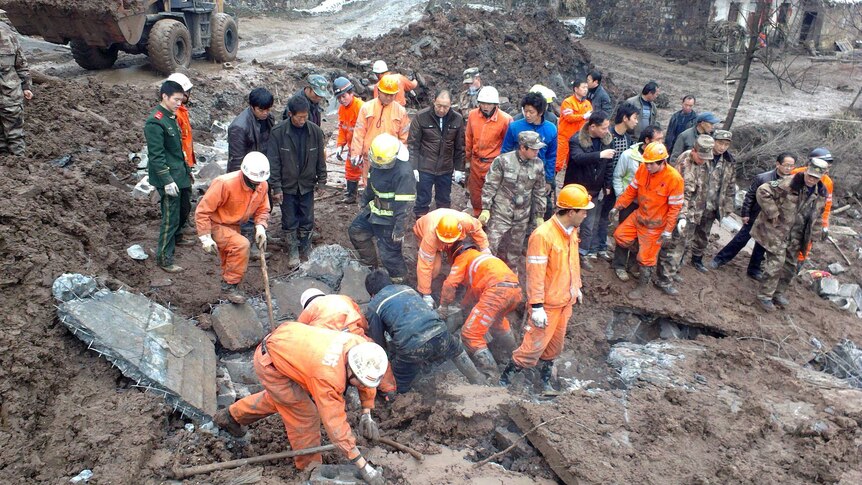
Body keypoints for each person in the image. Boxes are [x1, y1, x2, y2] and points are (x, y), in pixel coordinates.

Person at [213, 323, 388, 485]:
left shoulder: (361, 347)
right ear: (350, 369)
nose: (361, 387)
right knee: (305, 415)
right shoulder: (328, 376)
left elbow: (366, 381)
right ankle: (309, 469)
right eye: (358, 382)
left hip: (290, 345)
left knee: (284, 400)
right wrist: (362, 464)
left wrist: (367, 412)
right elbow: (335, 424)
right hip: (271, 362)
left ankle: (232, 416)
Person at [499, 184, 590, 396]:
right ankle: (503, 384)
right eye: (583, 210)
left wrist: (576, 287)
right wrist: (537, 306)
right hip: (547, 305)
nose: (586, 215)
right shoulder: (543, 236)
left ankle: (544, 384)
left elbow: (572, 262)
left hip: (565, 302)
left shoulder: (571, 232)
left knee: (553, 348)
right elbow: (535, 273)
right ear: (571, 211)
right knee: (531, 348)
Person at [364, 270, 485, 391]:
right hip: (440, 333)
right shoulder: (407, 289)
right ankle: (479, 381)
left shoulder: (374, 305)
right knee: (456, 350)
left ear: (372, 294)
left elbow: (378, 345)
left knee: (400, 378)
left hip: (413, 347)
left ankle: (398, 401)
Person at [752, 159, 829, 311]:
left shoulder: (821, 193)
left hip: (797, 235)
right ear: (806, 170)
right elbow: (763, 191)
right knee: (775, 264)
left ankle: (778, 293)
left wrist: (815, 234)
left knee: (790, 267)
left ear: (821, 177)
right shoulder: (789, 182)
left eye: (815, 177)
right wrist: (772, 212)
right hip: (778, 232)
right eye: (810, 175)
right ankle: (765, 296)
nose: (811, 179)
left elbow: (818, 216)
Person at [609, 142, 683, 299]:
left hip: (655, 225)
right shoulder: (643, 169)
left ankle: (642, 286)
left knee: (646, 259)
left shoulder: (674, 179)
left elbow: (675, 208)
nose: (647, 167)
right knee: (620, 235)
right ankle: (634, 261)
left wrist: (668, 231)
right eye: (646, 163)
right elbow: (631, 190)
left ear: (662, 162)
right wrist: (618, 206)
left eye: (651, 164)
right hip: (639, 215)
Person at [438, 240, 521, 375]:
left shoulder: (463, 257)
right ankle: (516, 358)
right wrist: (464, 308)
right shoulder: (481, 259)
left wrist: (444, 306)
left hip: (496, 291)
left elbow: (449, 284)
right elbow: (473, 293)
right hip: (514, 291)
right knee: (497, 323)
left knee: (470, 334)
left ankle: (491, 375)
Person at [195, 152, 270, 299]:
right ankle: (229, 287)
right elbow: (203, 211)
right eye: (254, 181)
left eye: (259, 181)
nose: (256, 184)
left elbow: (263, 208)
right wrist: (205, 237)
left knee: (230, 256)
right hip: (216, 223)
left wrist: (260, 226)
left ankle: (228, 284)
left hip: (234, 224)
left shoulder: (262, 185)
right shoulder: (224, 183)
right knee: (241, 245)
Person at [710, 153, 796, 279]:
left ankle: (754, 269)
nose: (788, 168)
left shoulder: (793, 182)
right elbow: (750, 196)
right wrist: (745, 213)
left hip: (773, 219)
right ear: (778, 164)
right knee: (741, 239)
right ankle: (719, 259)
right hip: (756, 215)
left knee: (761, 245)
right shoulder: (763, 177)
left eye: (791, 166)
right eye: (786, 165)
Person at [298, 287, 397, 396]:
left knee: (334, 370)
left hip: (329, 343)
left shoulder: (307, 313)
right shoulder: (342, 298)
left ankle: (338, 394)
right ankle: (388, 390)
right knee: (374, 356)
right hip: (352, 333)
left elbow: (303, 337)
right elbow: (360, 317)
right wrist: (364, 331)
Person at [268, 95, 327, 266]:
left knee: (307, 216)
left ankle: (306, 247)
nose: (303, 120)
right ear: (290, 114)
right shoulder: (278, 133)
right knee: (289, 218)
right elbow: (274, 162)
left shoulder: (315, 131)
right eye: (299, 117)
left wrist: (322, 180)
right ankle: (293, 249)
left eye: (305, 116)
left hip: (307, 183)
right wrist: (276, 187)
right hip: (287, 185)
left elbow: (320, 159)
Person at [348, 134, 415, 283]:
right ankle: (370, 266)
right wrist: (365, 200)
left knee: (389, 255)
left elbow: (405, 205)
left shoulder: (404, 173)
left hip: (390, 220)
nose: (380, 167)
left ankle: (400, 282)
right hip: (374, 212)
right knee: (356, 231)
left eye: (384, 165)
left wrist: (399, 230)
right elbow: (372, 185)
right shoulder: (378, 161)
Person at [654, 135, 715, 294]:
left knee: (685, 245)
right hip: (682, 213)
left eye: (705, 158)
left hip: (695, 213)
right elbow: (680, 194)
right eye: (700, 157)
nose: (703, 160)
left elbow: (703, 189)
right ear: (694, 151)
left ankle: (673, 273)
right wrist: (681, 217)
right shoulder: (684, 164)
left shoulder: (705, 163)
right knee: (674, 247)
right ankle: (663, 279)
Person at [480, 131, 547, 273]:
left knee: (515, 250)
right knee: (490, 244)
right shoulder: (503, 161)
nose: (537, 152)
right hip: (501, 211)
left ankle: (510, 276)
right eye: (534, 149)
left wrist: (539, 215)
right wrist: (486, 208)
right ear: (523, 148)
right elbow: (491, 185)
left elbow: (539, 192)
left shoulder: (538, 165)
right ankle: (486, 273)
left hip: (522, 215)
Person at [145, 80, 193, 273]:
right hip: (168, 176)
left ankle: (178, 235)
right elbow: (156, 156)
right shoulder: (155, 122)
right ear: (164, 97)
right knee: (170, 216)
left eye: (181, 100)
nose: (179, 103)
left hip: (179, 172)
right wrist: (167, 181)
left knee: (185, 207)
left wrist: (186, 171)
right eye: (175, 99)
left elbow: (178, 149)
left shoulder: (171, 116)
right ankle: (164, 257)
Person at [610, 126, 663, 281]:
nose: (661, 142)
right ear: (647, 140)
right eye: (658, 139)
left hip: (646, 206)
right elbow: (618, 176)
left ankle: (632, 264)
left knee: (640, 236)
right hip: (629, 202)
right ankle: (619, 265)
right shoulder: (629, 155)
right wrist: (621, 198)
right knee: (623, 234)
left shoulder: (658, 158)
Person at [563, 111, 614, 268]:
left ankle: (582, 254)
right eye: (604, 128)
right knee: (568, 222)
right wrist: (600, 155)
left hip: (593, 191)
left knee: (588, 225)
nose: (607, 131)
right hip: (574, 191)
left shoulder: (606, 141)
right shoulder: (577, 139)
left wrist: (607, 184)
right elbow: (578, 158)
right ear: (593, 127)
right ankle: (564, 252)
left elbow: (609, 165)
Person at [408, 90, 465, 218]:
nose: (441, 109)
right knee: (423, 200)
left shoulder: (457, 119)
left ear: (451, 105)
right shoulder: (421, 116)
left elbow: (460, 146)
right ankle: (421, 224)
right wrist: (413, 167)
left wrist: (459, 168)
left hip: (445, 168)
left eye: (446, 107)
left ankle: (442, 226)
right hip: (425, 167)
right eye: (439, 105)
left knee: (444, 200)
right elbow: (413, 144)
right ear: (434, 101)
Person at [501, 92, 558, 219]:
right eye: (525, 111)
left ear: (541, 112)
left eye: (531, 112)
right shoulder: (515, 126)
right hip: (518, 173)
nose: (527, 115)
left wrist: (549, 180)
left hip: (539, 174)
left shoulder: (551, 129)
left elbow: (551, 156)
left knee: (543, 208)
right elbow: (505, 151)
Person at [413, 209, 490, 302]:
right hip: (424, 230)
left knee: (458, 256)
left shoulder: (466, 222)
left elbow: (476, 230)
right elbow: (425, 265)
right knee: (433, 269)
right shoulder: (429, 238)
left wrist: (484, 247)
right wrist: (426, 294)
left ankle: (458, 277)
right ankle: (423, 287)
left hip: (451, 234)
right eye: (444, 241)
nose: (447, 243)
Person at [595, 104, 639, 262]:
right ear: (625, 118)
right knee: (597, 215)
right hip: (604, 184)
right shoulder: (608, 135)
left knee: (606, 216)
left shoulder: (627, 139)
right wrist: (606, 183)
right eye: (634, 118)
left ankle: (601, 246)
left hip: (617, 185)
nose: (636, 122)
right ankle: (592, 248)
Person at [351, 74, 410, 184]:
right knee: (369, 185)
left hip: (391, 158)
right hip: (370, 156)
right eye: (386, 94)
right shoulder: (367, 108)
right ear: (379, 91)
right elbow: (359, 132)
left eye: (392, 95)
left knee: (388, 186)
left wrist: (402, 157)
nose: (388, 97)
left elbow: (404, 137)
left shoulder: (400, 111)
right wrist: (356, 153)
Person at [464, 86, 512, 216]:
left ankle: (492, 216)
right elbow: (469, 137)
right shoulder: (473, 115)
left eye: (489, 104)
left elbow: (507, 145)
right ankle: (477, 215)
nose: (485, 106)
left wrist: (504, 166)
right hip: (476, 161)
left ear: (495, 104)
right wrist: (468, 159)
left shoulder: (505, 120)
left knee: (493, 191)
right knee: (475, 191)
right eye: (483, 103)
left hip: (493, 163)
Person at [790, 147, 835, 263]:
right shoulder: (796, 173)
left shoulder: (827, 182)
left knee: (805, 243)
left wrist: (824, 225)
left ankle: (797, 265)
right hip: (791, 215)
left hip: (810, 217)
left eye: (828, 167)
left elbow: (826, 206)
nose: (827, 169)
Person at [0, 22, 33, 156]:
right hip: (10, 93)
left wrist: (26, 86)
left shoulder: (6, 32)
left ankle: (19, 166)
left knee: (15, 136)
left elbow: (21, 63)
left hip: (10, 94)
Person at [228, 87, 275, 173]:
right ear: (252, 107)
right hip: (248, 170)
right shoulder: (239, 127)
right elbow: (236, 160)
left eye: (268, 109)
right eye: (261, 110)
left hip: (264, 165)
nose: (265, 113)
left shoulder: (269, 118)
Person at [333, 77, 364, 204]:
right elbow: (342, 128)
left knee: (369, 172)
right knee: (351, 169)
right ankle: (351, 195)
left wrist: (362, 150)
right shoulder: (342, 109)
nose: (342, 100)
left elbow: (367, 130)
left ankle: (372, 198)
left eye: (344, 96)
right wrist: (340, 145)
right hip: (352, 146)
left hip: (363, 146)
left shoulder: (361, 108)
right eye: (339, 98)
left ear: (351, 93)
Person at [555, 76, 593, 175]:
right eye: (583, 87)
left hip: (577, 139)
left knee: (573, 165)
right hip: (565, 137)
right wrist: (583, 116)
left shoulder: (587, 104)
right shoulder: (568, 102)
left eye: (586, 87)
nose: (585, 90)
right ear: (576, 89)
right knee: (557, 163)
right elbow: (569, 118)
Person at [166, 73, 196, 168]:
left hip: (186, 162)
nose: (188, 94)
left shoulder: (181, 109)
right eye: (186, 91)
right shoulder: (173, 114)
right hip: (180, 165)